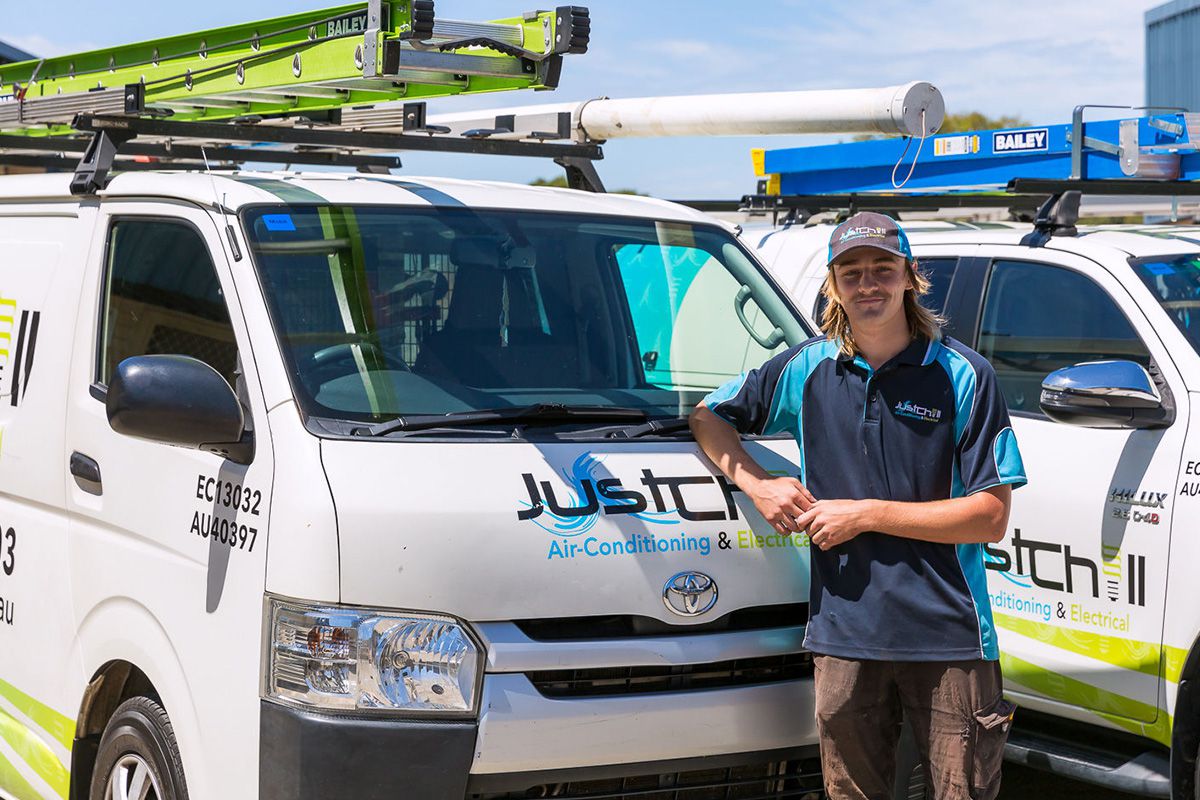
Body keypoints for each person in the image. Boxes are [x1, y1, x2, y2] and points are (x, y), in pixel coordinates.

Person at [689, 212, 1026, 800]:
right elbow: (708, 417)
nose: (867, 283)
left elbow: (990, 517)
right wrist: (760, 484)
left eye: (882, 269)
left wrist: (866, 513)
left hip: (948, 636)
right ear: (832, 284)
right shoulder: (807, 368)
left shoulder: (964, 374)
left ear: (910, 277)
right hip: (845, 635)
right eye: (851, 272)